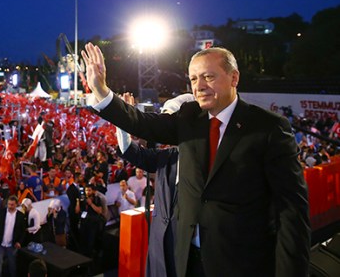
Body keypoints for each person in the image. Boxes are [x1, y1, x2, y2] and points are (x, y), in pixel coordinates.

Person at [82, 42, 310, 277]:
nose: (199, 86)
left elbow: (292, 211)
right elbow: (141, 122)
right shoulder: (189, 117)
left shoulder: (269, 128)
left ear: (234, 78)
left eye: (208, 77)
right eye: (193, 79)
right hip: (186, 260)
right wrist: (101, 91)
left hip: (241, 263)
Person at [117, 92, 193, 277]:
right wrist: (123, 119)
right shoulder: (166, 157)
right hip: (159, 250)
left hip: (188, 254)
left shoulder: (209, 163)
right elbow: (129, 150)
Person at [0, 195, 26, 277]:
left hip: (12, 245)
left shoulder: (20, 216)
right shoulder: (2, 212)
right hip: (0, 243)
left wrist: (19, 242)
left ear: (16, 204)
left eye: (12, 205)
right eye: (9, 204)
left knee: (12, 265)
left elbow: (23, 231)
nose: (10, 206)